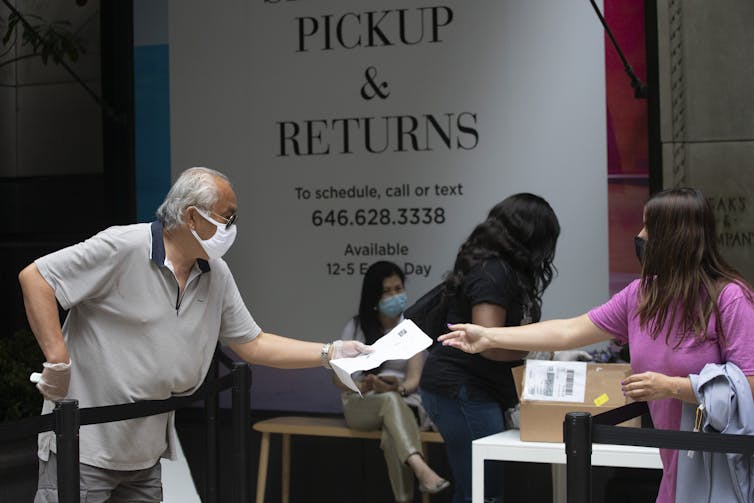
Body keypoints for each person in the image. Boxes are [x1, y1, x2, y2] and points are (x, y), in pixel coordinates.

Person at [18, 167, 369, 503]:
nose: (231, 228)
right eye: (226, 217)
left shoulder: (215, 272)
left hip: (144, 451)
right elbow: (37, 278)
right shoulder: (123, 246)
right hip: (85, 444)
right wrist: (58, 359)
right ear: (191, 217)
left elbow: (253, 343)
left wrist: (331, 352)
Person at [439, 187, 754, 503]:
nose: (640, 235)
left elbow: (749, 385)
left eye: (649, 227)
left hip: (721, 467)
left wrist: (672, 387)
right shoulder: (641, 295)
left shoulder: (729, 298)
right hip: (674, 469)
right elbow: (569, 331)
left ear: (676, 237)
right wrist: (488, 336)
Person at [419, 193, 561, 503]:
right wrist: (535, 348)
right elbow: (488, 343)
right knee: (482, 492)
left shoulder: (497, 269)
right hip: (462, 388)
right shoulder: (492, 273)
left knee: (480, 489)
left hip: (471, 389)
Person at [334, 261, 449, 502]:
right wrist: (363, 385)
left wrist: (397, 387)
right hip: (360, 404)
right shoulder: (355, 327)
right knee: (388, 401)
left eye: (399, 289)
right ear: (374, 297)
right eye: (388, 291)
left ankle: (405, 495)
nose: (395, 295)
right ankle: (420, 467)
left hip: (403, 401)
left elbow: (413, 381)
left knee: (391, 420)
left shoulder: (410, 329)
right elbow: (338, 379)